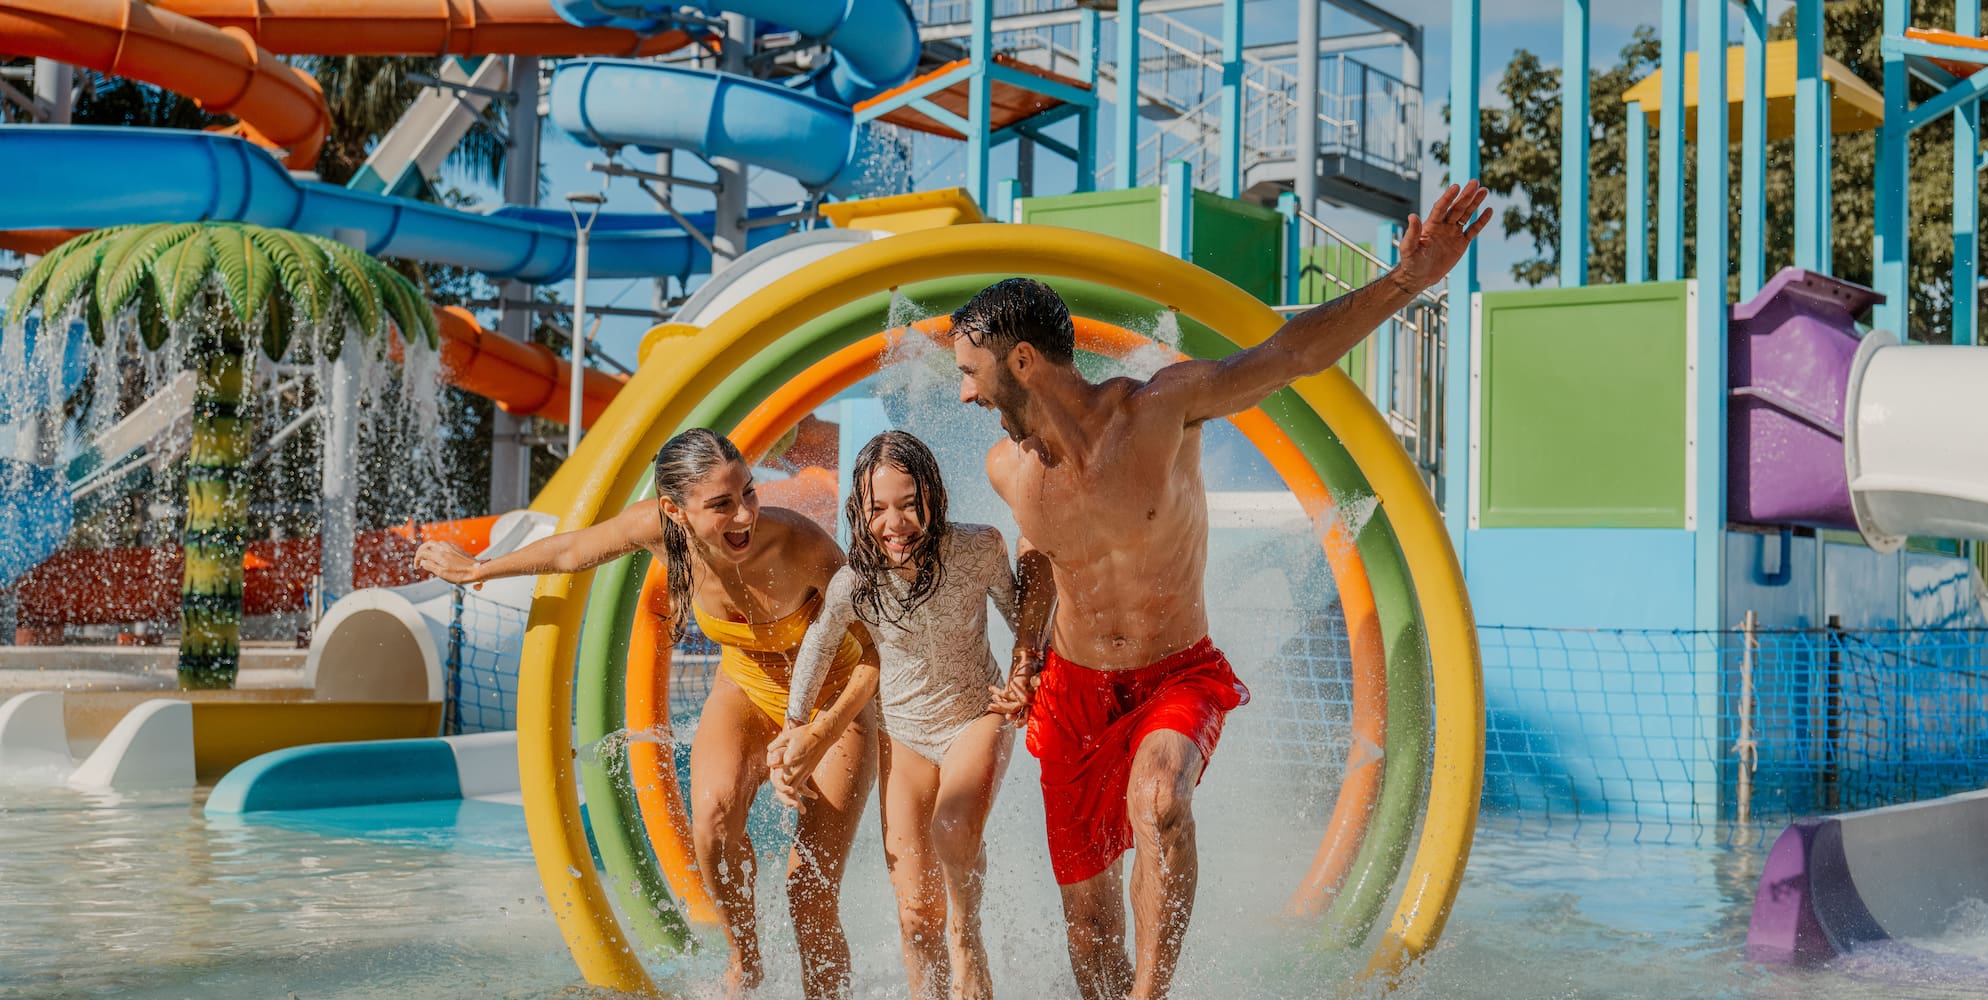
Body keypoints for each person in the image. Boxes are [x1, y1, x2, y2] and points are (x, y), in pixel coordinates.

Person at [964, 182, 1492, 1000]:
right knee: (1089, 926)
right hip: (1070, 694)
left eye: (972, 371)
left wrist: (1404, 282)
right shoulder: (1011, 471)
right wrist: (1027, 656)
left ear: (1022, 361)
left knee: (1161, 801)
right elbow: (1040, 564)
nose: (965, 392)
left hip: (1175, 673)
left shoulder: (1160, 410)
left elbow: (1286, 356)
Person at [413, 428, 880, 1000]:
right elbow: (569, 550)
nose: (744, 516)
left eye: (748, 493)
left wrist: (815, 734)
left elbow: (876, 655)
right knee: (711, 823)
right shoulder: (658, 532)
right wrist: (479, 570)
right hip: (746, 691)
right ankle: (745, 962)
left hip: (835, 707)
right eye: (721, 505)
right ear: (673, 511)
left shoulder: (800, 545)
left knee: (808, 892)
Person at [769, 430, 1053, 1000]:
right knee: (916, 912)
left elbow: (1022, 611)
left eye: (908, 504)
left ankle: (967, 936)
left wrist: (1030, 672)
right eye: (878, 509)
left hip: (976, 712)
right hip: (903, 731)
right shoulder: (857, 582)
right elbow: (819, 647)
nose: (894, 523)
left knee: (953, 829)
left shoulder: (978, 549)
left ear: (933, 497)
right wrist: (794, 725)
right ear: (860, 509)